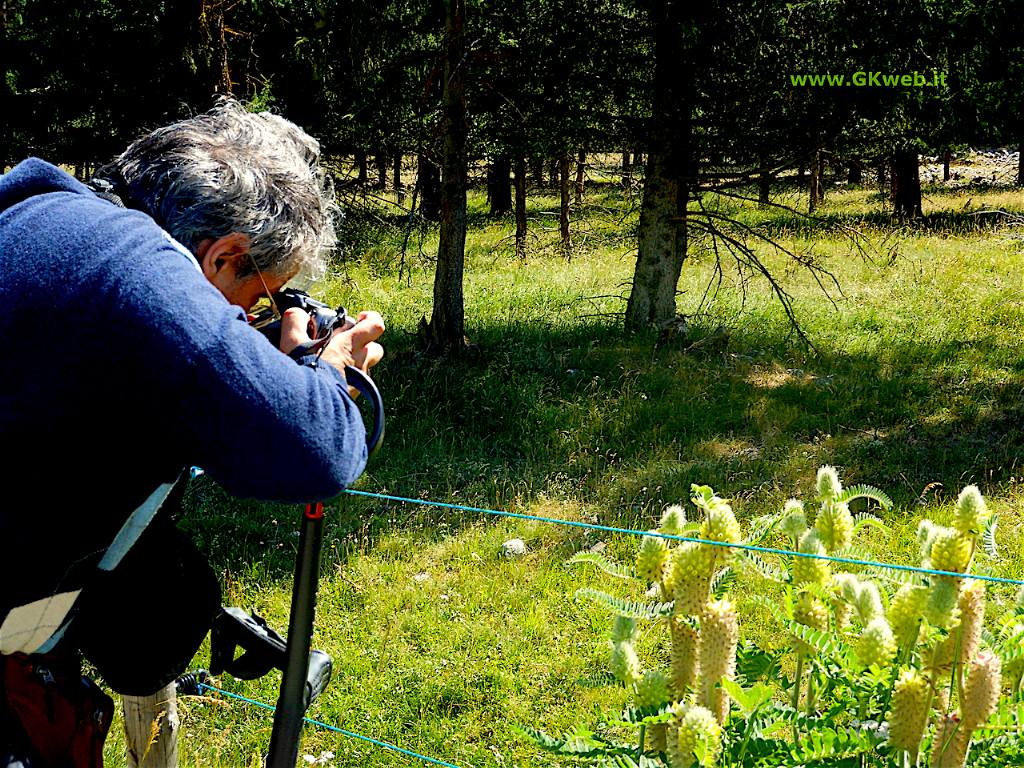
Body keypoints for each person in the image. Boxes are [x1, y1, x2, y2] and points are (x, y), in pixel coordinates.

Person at [0, 98, 384, 764]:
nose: (254, 316)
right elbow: (316, 450)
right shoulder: (132, 262)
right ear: (223, 258)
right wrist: (324, 369)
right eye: (261, 297)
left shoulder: (41, 221)